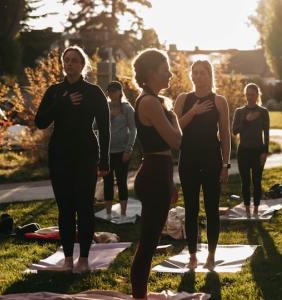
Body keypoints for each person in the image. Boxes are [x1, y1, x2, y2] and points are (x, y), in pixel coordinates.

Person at [34, 46, 110, 273]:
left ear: (82, 64)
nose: (69, 64)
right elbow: (40, 122)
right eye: (66, 60)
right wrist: (63, 103)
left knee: (84, 207)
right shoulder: (55, 91)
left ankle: (84, 260)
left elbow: (105, 129)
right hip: (60, 155)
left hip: (85, 155)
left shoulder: (94, 92)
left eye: (74, 60)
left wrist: (104, 160)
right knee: (65, 208)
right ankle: (68, 259)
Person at [129, 48, 181, 299]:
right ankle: (139, 296)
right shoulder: (149, 102)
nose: (170, 74)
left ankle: (141, 293)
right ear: (151, 73)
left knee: (150, 241)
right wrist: (174, 117)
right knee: (148, 243)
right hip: (153, 175)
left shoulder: (154, 101)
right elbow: (175, 141)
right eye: (165, 70)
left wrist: (170, 183)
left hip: (159, 174)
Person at [174, 60, 230, 271]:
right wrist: (194, 112)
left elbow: (225, 135)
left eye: (203, 73)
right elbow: (174, 128)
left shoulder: (219, 101)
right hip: (188, 160)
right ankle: (192, 256)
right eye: (195, 73)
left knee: (211, 209)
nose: (198, 77)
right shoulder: (183, 99)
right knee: (191, 209)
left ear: (210, 75)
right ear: (191, 76)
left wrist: (225, 165)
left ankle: (212, 255)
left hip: (211, 160)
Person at [232, 83, 270, 218]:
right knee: (246, 182)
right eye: (247, 94)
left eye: (252, 94)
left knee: (257, 181)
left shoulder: (263, 112)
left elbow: (266, 133)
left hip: (258, 151)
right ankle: (247, 210)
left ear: (257, 95)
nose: (250, 97)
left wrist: (265, 152)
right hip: (243, 151)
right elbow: (234, 131)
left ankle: (256, 210)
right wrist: (246, 121)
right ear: (245, 95)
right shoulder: (239, 112)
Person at [102, 81, 136, 219]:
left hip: (122, 152)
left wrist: (128, 149)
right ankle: (108, 213)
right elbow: (94, 126)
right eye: (109, 91)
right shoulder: (105, 107)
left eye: (114, 91)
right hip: (107, 152)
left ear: (120, 92)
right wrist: (106, 119)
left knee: (122, 182)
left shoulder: (127, 108)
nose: (112, 93)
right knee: (107, 182)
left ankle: (123, 214)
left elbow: (133, 130)